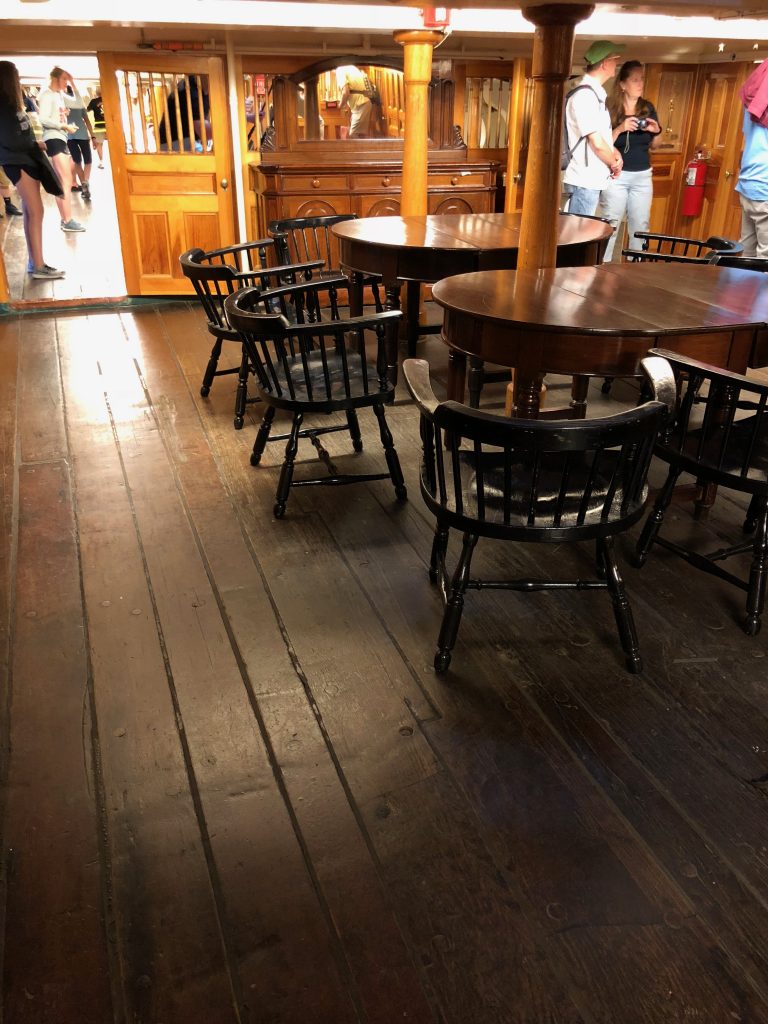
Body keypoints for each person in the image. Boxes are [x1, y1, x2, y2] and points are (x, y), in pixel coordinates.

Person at [0, 60, 65, 279]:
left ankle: (34, 261)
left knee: (31, 211)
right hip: (19, 161)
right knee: (36, 211)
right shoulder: (4, 106)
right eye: (16, 76)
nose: (18, 80)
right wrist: (37, 144)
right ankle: (38, 265)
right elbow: (12, 139)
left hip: (22, 159)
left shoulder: (9, 105)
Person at [597, 60, 662, 261]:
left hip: (642, 176)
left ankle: (636, 268)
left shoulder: (647, 108)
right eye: (635, 80)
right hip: (617, 175)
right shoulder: (610, 108)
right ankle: (603, 265)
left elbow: (656, 145)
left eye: (642, 79)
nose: (640, 83)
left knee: (640, 225)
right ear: (623, 84)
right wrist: (620, 128)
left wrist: (656, 130)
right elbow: (602, 142)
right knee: (611, 224)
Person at [562, 40, 625, 217]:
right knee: (577, 238)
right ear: (605, 63)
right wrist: (614, 163)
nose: (617, 63)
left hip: (590, 180)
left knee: (582, 235)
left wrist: (615, 154)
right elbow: (596, 142)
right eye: (615, 59)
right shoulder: (585, 96)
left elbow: (602, 140)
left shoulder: (594, 95)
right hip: (583, 181)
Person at [37, 66, 85, 232]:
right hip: (54, 139)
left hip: (60, 138)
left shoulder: (58, 96)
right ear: (55, 78)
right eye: (64, 79)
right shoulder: (46, 95)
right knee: (64, 180)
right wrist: (62, 125)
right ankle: (67, 220)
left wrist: (72, 81)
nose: (66, 82)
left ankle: (66, 219)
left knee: (64, 179)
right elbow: (42, 119)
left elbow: (79, 103)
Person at [735, 58, 768, 260]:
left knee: (746, 257)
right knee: (765, 262)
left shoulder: (752, 102)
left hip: (748, 183)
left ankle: (741, 292)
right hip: (765, 186)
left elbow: (746, 136)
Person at [158, 76, 211, 152]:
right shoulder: (190, 92)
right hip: (174, 144)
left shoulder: (199, 87)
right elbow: (203, 131)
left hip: (178, 142)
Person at [65, 84, 95, 201]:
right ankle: (85, 181)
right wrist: (93, 136)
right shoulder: (79, 104)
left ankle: (84, 187)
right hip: (82, 134)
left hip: (70, 136)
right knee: (88, 161)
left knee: (77, 161)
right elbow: (87, 121)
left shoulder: (63, 106)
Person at [337, 65, 373, 138]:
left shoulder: (340, 69)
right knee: (362, 136)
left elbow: (345, 92)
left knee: (353, 136)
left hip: (360, 105)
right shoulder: (352, 68)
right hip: (363, 103)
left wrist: (340, 105)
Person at [86, 90, 106, 167]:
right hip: (110, 125)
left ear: (96, 93)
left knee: (99, 144)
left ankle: (101, 162)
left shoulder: (94, 101)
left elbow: (87, 110)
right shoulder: (110, 99)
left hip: (99, 125)